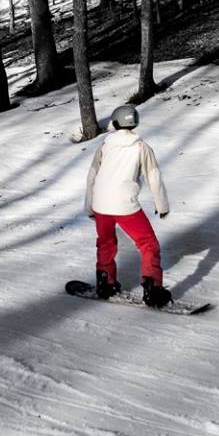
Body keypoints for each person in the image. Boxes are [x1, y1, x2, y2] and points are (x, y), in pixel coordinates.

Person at [85, 104, 172, 307]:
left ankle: (105, 283)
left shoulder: (104, 145)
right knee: (148, 244)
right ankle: (153, 289)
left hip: (101, 204)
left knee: (106, 243)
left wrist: (89, 206)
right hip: (125, 206)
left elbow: (92, 176)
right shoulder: (141, 147)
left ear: (115, 123)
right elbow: (154, 178)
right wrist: (162, 205)